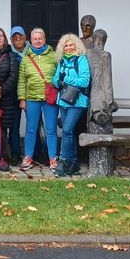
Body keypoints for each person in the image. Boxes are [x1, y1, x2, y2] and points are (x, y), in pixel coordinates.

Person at [18, 27, 59, 171]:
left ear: (45, 39)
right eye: (34, 38)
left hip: (50, 99)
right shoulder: (26, 58)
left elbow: (59, 75)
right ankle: (28, 157)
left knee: (51, 129)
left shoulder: (54, 56)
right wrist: (22, 98)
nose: (37, 41)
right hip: (31, 98)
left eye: (40, 38)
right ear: (31, 40)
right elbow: (22, 80)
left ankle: (53, 158)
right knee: (31, 129)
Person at [52, 33, 91, 177]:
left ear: (76, 46)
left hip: (78, 101)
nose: (68, 48)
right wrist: (59, 82)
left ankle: (63, 161)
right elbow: (55, 79)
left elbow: (85, 81)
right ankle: (73, 163)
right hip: (63, 100)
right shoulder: (61, 61)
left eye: (71, 45)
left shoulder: (81, 60)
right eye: (66, 46)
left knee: (67, 130)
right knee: (69, 132)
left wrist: (66, 78)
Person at [0, 27, 20, 170]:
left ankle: (4, 158)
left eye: (1, 36)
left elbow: (13, 77)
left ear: (5, 39)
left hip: (7, 99)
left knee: (4, 129)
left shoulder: (11, 56)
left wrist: (1, 91)